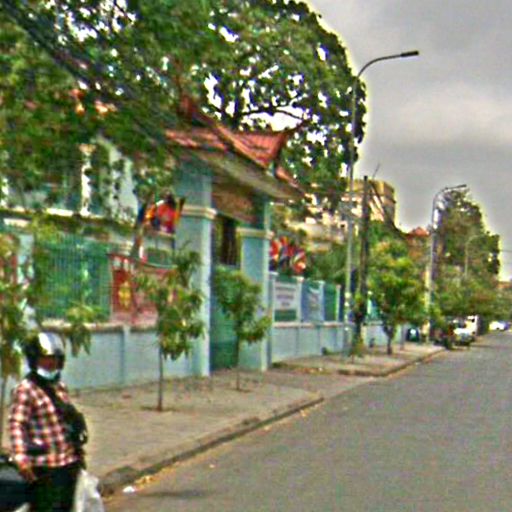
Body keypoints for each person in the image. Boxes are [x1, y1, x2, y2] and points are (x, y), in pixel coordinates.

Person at [8, 332, 88, 512]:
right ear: (34, 360)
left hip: (68, 462)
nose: (51, 363)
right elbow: (16, 423)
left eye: (55, 359)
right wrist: (21, 457)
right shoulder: (26, 389)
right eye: (45, 358)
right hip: (45, 466)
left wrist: (77, 450)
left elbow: (64, 422)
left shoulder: (59, 387)